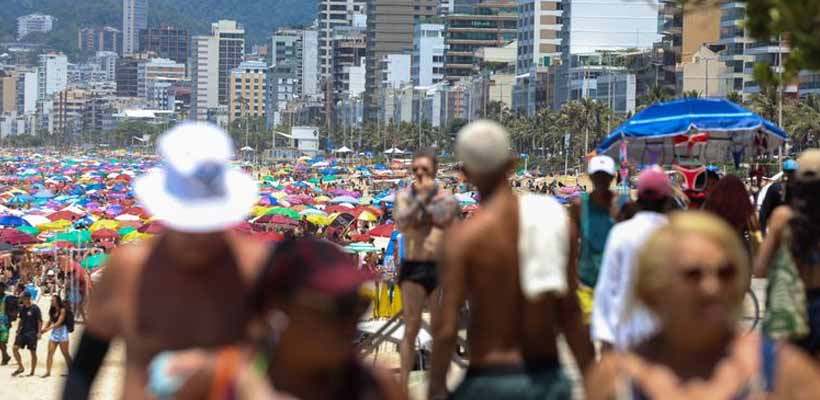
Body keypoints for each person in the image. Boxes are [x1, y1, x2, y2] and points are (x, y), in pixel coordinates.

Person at [62, 123, 270, 400]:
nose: (198, 236)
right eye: (189, 224)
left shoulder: (256, 268)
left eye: (207, 224)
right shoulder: (128, 270)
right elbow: (83, 370)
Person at [429, 121, 593, 400]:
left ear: (465, 173)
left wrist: (436, 389)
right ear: (512, 164)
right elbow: (570, 313)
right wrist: (592, 379)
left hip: (489, 378)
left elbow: (446, 326)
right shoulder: (555, 221)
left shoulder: (463, 239)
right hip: (545, 378)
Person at [586, 211, 820, 400]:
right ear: (654, 285)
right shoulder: (615, 381)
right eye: (692, 274)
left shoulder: (785, 372)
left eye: (726, 273)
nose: (712, 287)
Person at [165, 239, 405, 400]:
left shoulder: (378, 389)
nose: (351, 320)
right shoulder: (216, 385)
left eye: (358, 303)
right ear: (276, 309)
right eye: (338, 306)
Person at [393, 148, 459, 390]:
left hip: (439, 266)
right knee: (411, 327)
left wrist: (424, 212)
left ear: (434, 170)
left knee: (442, 328)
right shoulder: (404, 196)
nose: (420, 174)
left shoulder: (445, 197)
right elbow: (403, 224)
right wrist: (422, 201)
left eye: (425, 170)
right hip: (413, 265)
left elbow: (447, 222)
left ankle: (442, 384)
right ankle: (402, 387)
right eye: (416, 170)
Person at [591, 168, 671, 351]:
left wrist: (605, 342)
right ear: (666, 200)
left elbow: (606, 289)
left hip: (625, 341)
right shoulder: (677, 235)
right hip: (667, 347)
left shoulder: (621, 233)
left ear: (638, 198)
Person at [570, 155, 618, 322]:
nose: (601, 180)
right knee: (586, 330)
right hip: (586, 280)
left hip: (614, 284)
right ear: (590, 177)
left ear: (612, 177)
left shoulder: (621, 205)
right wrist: (572, 276)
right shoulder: (579, 205)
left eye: (605, 176)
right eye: (597, 176)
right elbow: (571, 242)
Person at [702, 175, 762, 256]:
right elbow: (756, 233)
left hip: (713, 250)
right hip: (738, 252)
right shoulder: (744, 207)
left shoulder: (710, 206)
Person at [758, 159, 798, 234]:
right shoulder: (775, 188)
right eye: (789, 172)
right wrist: (762, 233)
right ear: (784, 172)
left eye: (793, 172)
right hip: (779, 230)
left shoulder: (800, 188)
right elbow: (764, 211)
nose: (791, 175)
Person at [40, 294, 73, 377]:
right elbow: (50, 321)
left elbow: (59, 322)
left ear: (57, 301)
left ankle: (72, 372)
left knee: (65, 353)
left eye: (53, 300)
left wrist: (47, 329)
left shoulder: (63, 310)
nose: (51, 301)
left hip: (63, 332)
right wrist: (44, 329)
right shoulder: (52, 310)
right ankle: (48, 372)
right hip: (54, 332)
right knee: (50, 352)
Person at [12, 291, 41, 377]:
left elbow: (39, 321)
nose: (22, 300)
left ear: (28, 298)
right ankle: (21, 367)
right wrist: (17, 330)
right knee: (15, 348)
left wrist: (39, 332)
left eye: (23, 298)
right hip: (23, 332)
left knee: (32, 352)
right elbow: (21, 320)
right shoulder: (22, 308)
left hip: (32, 333)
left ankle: (32, 372)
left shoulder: (35, 308)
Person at [0, 281, 19, 365]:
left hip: (4, 322)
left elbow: (15, 308)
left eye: (1, 288)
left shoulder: (8, 298)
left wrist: (11, 318)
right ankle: (5, 356)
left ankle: (5, 357)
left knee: (2, 341)